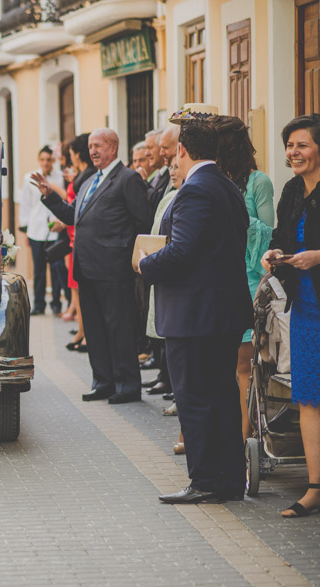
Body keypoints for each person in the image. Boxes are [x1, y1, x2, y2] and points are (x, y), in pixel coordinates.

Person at [138, 119, 252, 504]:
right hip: (221, 313)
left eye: (173, 152)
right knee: (220, 396)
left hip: (196, 317)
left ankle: (205, 481)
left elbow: (183, 252)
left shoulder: (195, 191)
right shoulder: (227, 185)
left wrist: (144, 265)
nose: (171, 158)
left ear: (184, 150)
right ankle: (230, 481)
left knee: (196, 400)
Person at [35, 128, 151, 404]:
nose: (93, 151)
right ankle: (103, 381)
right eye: (90, 146)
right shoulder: (88, 182)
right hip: (86, 268)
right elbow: (72, 216)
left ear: (113, 147)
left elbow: (142, 222)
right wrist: (50, 195)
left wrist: (128, 255)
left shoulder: (127, 178)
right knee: (96, 329)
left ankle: (128, 385)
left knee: (119, 328)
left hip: (114, 269)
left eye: (98, 145)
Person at [261, 114, 320, 518]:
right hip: (305, 309)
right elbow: (281, 239)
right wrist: (272, 255)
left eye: (301, 144)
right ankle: (314, 488)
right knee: (309, 399)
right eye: (289, 145)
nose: (292, 152)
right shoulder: (291, 191)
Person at [214, 115, 275, 443]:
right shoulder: (211, 180)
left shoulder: (258, 182)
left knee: (241, 366)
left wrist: (238, 212)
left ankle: (240, 438)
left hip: (248, 280)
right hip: (215, 281)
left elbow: (269, 236)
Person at [143, 126, 181, 416]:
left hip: (167, 267)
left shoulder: (188, 190)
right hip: (157, 262)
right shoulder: (168, 182)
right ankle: (168, 379)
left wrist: (148, 262)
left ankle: (174, 385)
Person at [17, 146, 69, 316]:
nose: (46, 162)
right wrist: (25, 229)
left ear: (52, 161)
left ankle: (56, 303)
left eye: (49, 160)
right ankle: (39, 304)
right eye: (43, 159)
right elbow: (25, 204)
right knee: (38, 269)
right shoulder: (28, 178)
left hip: (55, 229)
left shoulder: (59, 178)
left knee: (56, 268)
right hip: (36, 229)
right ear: (39, 160)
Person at [61, 134, 96, 351]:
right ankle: (82, 331)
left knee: (79, 289)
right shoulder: (83, 175)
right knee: (75, 288)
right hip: (73, 236)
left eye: (72, 153)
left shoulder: (86, 176)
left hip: (78, 236)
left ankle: (85, 334)